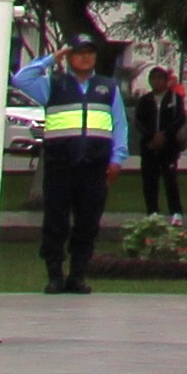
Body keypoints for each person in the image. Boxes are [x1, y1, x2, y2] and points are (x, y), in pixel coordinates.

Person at [36, 39, 126, 292]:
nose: (85, 58)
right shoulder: (53, 84)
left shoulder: (108, 87)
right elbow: (22, 79)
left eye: (90, 53)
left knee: (88, 222)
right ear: (68, 56)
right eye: (79, 53)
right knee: (55, 221)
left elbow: (119, 124)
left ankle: (78, 275)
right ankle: (54, 275)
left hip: (94, 166)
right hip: (60, 165)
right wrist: (52, 58)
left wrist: (117, 159)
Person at [134, 68, 187, 217]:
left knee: (170, 181)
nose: (157, 81)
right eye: (153, 78)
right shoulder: (145, 100)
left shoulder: (174, 98)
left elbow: (179, 118)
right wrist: (152, 136)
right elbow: (139, 122)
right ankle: (152, 213)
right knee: (149, 182)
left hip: (169, 147)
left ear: (166, 81)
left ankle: (176, 213)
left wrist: (164, 135)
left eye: (160, 78)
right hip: (149, 147)